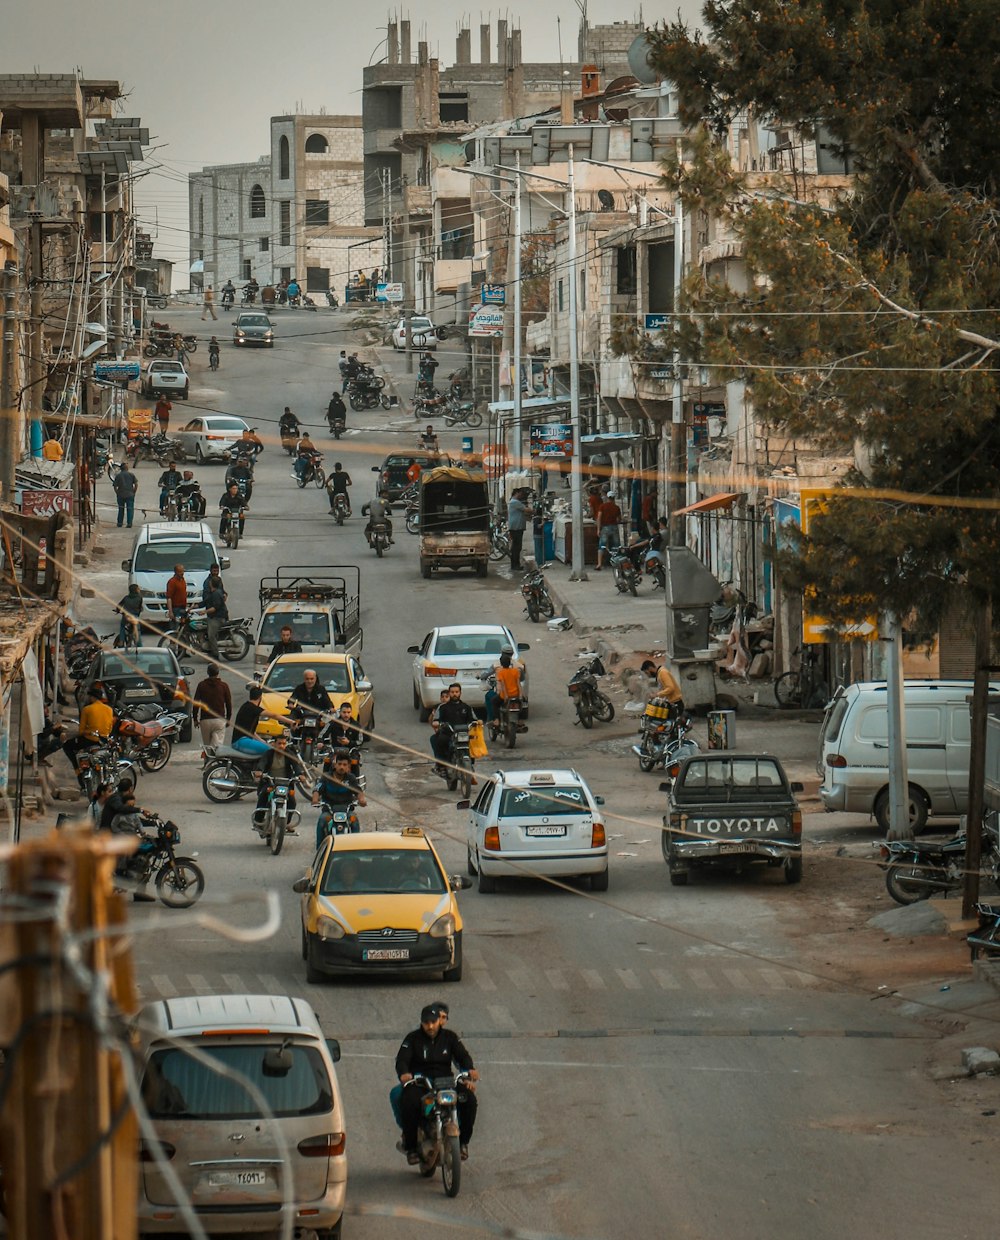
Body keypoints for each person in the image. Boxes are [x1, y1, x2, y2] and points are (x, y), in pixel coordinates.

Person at [395, 1004, 479, 1164]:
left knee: (469, 1100)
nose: (430, 1026)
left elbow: (463, 1056)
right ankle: (411, 1148)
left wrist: (470, 1071)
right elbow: (402, 1059)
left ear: (439, 1022)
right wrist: (404, 1073)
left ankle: (463, 1144)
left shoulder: (450, 1037)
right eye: (426, 1023)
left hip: (446, 1082)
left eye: (433, 1022)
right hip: (421, 1083)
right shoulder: (412, 1039)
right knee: (408, 1101)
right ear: (421, 1023)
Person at [252, 733, 307, 833]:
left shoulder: (289, 754)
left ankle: (286, 823)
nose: (281, 746)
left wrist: (300, 774)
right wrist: (259, 771)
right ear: (274, 744)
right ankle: (258, 821)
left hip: (285, 783)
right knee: (263, 796)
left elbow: (296, 765)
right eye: (279, 743)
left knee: (292, 801)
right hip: (270, 782)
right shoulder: (268, 754)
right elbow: (262, 763)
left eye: (284, 743)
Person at [311, 750, 366, 848]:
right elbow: (317, 789)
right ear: (334, 765)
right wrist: (315, 799)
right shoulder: (326, 777)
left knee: (354, 820)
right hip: (329, 810)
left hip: (347, 810)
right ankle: (319, 849)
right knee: (322, 820)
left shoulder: (351, 778)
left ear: (348, 767)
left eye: (345, 765)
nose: (342, 767)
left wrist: (361, 800)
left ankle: (356, 847)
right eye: (339, 764)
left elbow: (358, 791)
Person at [62, 688, 115, 784]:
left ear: (92, 697)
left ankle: (78, 771)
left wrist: (88, 731)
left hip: (89, 740)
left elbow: (81, 731)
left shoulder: (87, 709)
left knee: (67, 746)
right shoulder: (109, 710)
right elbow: (110, 727)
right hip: (104, 740)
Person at [430, 683, 475, 773]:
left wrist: (477, 722)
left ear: (460, 693)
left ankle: (470, 765)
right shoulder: (443, 707)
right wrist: (436, 722)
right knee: (437, 739)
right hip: (448, 733)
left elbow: (473, 719)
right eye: (452, 692)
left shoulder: (466, 707)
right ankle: (442, 765)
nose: (454, 694)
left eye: (456, 692)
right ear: (449, 693)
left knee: (473, 742)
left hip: (463, 734)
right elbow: (436, 719)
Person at [231, 685, 282, 759]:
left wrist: (262, 740)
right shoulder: (254, 708)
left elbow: (250, 731)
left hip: (240, 742)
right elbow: (274, 715)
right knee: (271, 750)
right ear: (260, 697)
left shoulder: (245, 706)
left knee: (266, 747)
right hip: (241, 742)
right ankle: (260, 770)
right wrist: (291, 722)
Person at [192, 663, 232, 748]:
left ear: (207, 672)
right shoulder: (224, 686)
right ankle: (216, 759)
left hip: (205, 720)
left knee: (207, 747)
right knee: (218, 746)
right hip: (219, 720)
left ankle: (208, 760)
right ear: (218, 673)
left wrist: (195, 719)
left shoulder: (201, 685)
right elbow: (228, 704)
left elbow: (196, 703)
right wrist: (228, 719)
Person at [484, 647, 522, 724]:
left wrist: (506, 696)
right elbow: (519, 682)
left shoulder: (498, 668)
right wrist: (520, 695)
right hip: (516, 694)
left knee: (493, 701)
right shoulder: (518, 667)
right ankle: (519, 720)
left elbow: (503, 685)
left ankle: (495, 719)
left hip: (504, 695)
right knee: (521, 704)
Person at [288, 668, 333, 733]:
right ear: (304, 679)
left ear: (315, 678)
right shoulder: (299, 688)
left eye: (312, 679)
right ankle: (292, 737)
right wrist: (291, 704)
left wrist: (331, 708)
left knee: (329, 722)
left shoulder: (321, 689)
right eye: (307, 679)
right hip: (302, 713)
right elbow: (292, 698)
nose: (309, 681)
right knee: (292, 719)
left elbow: (327, 701)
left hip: (318, 714)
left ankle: (323, 739)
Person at [202, 572, 229, 660]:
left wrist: (204, 611)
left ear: (211, 584)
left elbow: (215, 608)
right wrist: (193, 606)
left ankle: (215, 655)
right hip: (213, 617)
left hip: (218, 618)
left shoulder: (216, 594)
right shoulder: (213, 593)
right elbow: (205, 602)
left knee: (211, 635)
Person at [594, 491, 623, 571]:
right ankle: (617, 563)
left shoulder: (602, 506)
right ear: (614, 498)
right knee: (616, 546)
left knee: (602, 546)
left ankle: (599, 564)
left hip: (605, 528)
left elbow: (599, 517)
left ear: (607, 497)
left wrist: (598, 529)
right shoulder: (616, 507)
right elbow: (619, 519)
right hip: (614, 527)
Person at [507, 488, 530, 572]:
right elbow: (526, 510)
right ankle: (515, 565)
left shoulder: (514, 502)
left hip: (516, 527)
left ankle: (515, 564)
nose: (521, 495)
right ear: (516, 493)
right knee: (517, 547)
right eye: (520, 493)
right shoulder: (515, 502)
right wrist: (534, 511)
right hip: (516, 528)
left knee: (515, 547)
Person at [113, 462, 138, 528]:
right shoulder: (131, 475)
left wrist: (117, 493)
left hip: (121, 494)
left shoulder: (118, 476)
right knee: (130, 509)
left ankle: (120, 523)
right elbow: (136, 484)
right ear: (127, 468)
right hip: (130, 494)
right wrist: (134, 492)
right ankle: (129, 523)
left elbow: (115, 486)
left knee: (121, 509)